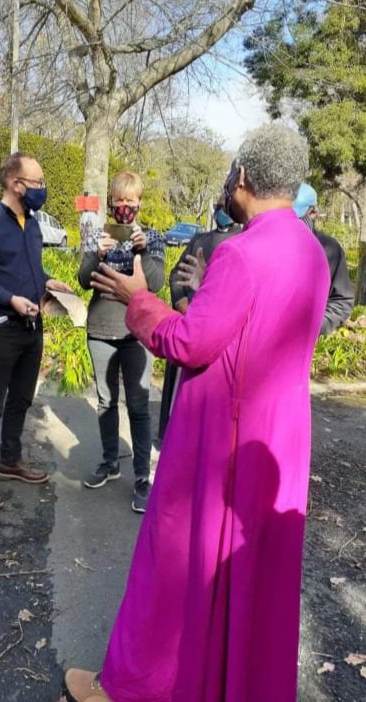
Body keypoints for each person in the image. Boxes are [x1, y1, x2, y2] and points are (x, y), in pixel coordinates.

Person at [60, 125, 330, 702]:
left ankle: (131, 687)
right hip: (279, 438)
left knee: (179, 563)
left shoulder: (240, 252)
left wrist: (140, 300)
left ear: (243, 179)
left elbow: (190, 343)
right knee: (254, 574)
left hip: (222, 440)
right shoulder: (313, 250)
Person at [0, 151, 71, 510]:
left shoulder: (33, 222)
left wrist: (49, 282)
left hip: (32, 325)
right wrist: (10, 300)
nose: (43, 188)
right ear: (15, 183)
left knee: (22, 398)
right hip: (1, 326)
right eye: (37, 182)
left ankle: (10, 461)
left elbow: (30, 267)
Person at [77, 171, 165, 513]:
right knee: (105, 401)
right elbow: (85, 281)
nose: (125, 206)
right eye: (119, 200)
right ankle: (110, 462)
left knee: (140, 406)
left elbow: (154, 285)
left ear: (140, 202)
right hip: (100, 329)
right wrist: (96, 255)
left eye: (131, 200)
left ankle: (142, 476)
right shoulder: (97, 235)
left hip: (137, 333)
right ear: (111, 201)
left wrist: (141, 254)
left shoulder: (153, 238)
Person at [158, 202, 241, 440]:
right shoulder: (200, 239)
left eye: (225, 206)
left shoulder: (242, 241)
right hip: (190, 321)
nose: (221, 210)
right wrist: (181, 303)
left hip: (218, 332)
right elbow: (177, 275)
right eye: (217, 206)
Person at [293, 182, 354, 334]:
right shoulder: (268, 243)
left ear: (313, 213)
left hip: (307, 343)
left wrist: (313, 328)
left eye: (298, 217)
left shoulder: (329, 249)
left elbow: (342, 300)